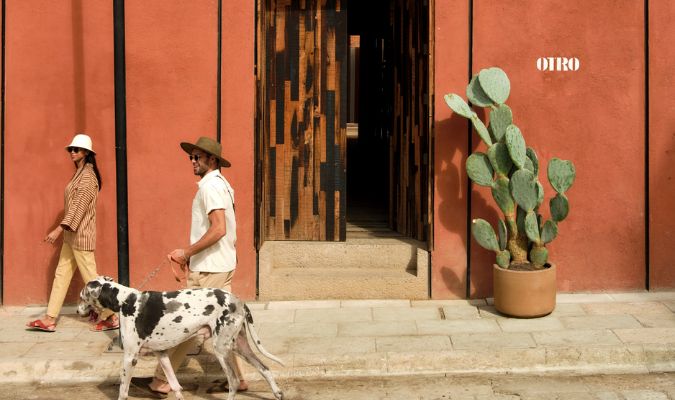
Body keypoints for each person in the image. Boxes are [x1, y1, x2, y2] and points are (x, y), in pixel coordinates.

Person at [132, 136, 247, 396]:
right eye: (191, 157)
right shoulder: (223, 185)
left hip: (209, 268)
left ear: (212, 160)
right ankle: (238, 379)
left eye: (198, 157)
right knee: (225, 324)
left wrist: (186, 253)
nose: (192, 161)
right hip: (220, 264)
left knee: (186, 325)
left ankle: (162, 380)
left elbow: (219, 229)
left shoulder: (210, 188)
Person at [26, 134, 119, 332]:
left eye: (76, 149)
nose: (73, 152)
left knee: (92, 280)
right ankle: (50, 318)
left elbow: (78, 208)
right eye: (71, 149)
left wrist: (58, 229)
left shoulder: (88, 177)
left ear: (86, 153)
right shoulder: (80, 173)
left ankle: (111, 316)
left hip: (81, 236)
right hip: (72, 237)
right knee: (61, 275)